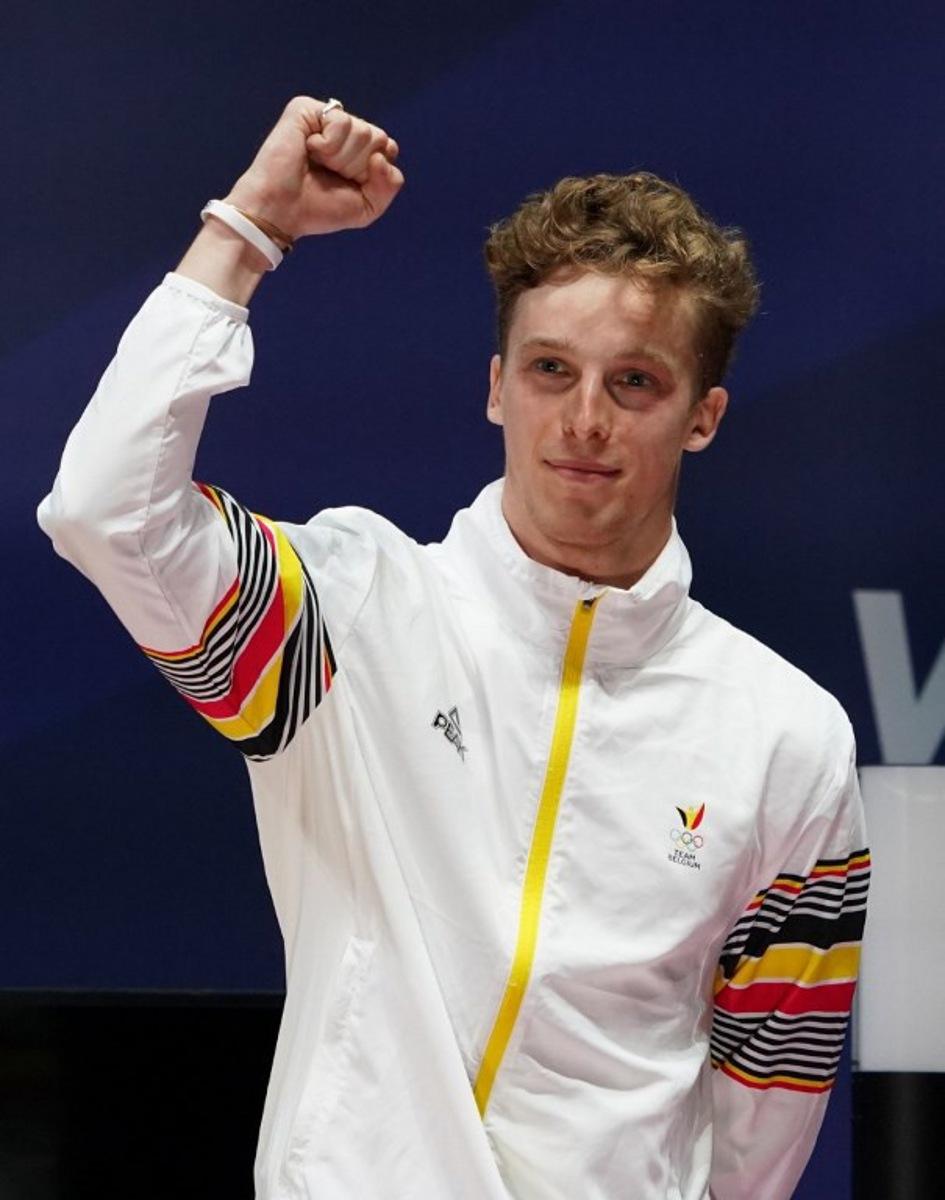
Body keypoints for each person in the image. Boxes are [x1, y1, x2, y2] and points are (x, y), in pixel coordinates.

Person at [38, 96, 869, 1199]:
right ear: (495, 389)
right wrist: (247, 230)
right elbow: (105, 512)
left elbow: (767, 1111)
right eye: (550, 370)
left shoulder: (786, 735)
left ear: (703, 416)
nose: (585, 419)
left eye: (634, 381)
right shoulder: (345, 621)